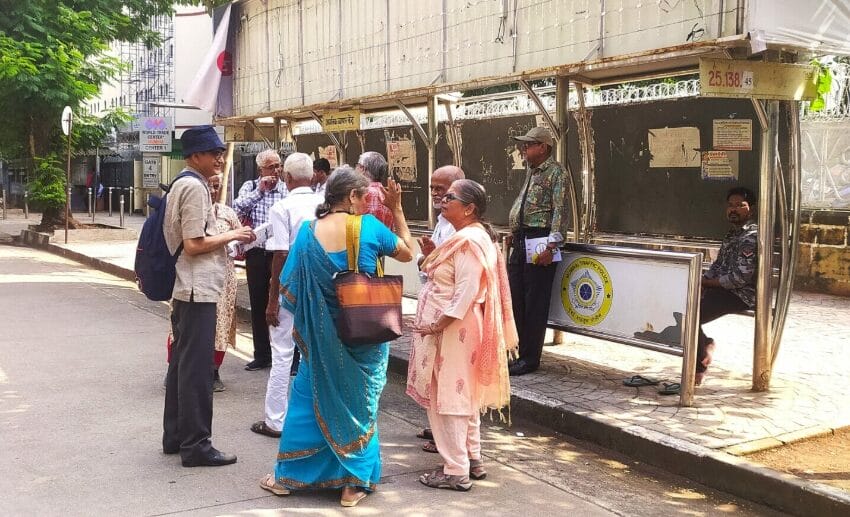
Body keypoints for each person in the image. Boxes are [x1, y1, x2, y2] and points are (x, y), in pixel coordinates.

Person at [258, 167, 415, 507]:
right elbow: (408, 252)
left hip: (319, 338)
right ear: (352, 197)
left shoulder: (307, 232)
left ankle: (289, 477)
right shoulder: (370, 227)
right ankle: (353, 485)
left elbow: (290, 289)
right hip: (366, 336)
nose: (367, 203)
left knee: (306, 402)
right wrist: (397, 208)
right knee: (361, 406)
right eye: (365, 197)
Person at [407, 179, 518, 491]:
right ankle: (472, 458)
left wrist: (439, 324)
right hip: (455, 327)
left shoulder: (469, 240)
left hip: (454, 330)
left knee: (450, 396)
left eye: (450, 196)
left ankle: (456, 471)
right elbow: (449, 277)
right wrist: (432, 255)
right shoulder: (465, 238)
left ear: (469, 208)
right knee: (463, 395)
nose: (443, 199)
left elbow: (467, 289)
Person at [162, 125, 255, 467]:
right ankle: (197, 445)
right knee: (197, 371)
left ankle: (175, 437)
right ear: (195, 156)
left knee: (182, 366)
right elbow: (194, 244)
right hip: (197, 288)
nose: (219, 158)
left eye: (220, 153)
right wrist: (234, 234)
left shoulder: (182, 184)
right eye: (213, 153)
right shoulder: (195, 187)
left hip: (187, 288)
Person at [251, 153, 324, 438]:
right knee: (315, 353)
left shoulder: (283, 207)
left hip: (291, 288)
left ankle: (275, 421)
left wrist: (272, 300)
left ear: (288, 178)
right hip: (319, 287)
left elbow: (280, 254)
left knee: (282, 354)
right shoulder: (324, 204)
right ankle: (316, 418)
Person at [506, 127, 570, 376]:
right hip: (522, 239)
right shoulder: (532, 172)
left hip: (541, 241)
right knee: (517, 298)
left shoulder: (556, 172)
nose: (524, 149)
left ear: (543, 147)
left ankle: (530, 358)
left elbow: (560, 210)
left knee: (535, 302)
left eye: (529, 144)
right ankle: (519, 352)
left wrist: (552, 245)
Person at [414, 164, 466, 453]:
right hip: (434, 304)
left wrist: (431, 259)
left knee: (448, 377)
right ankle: (438, 430)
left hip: (448, 314)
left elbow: (457, 275)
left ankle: (451, 447)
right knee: (433, 373)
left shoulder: (468, 233)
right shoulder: (443, 220)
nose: (437, 196)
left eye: (442, 191)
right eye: (433, 188)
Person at [695, 187, 758, 386]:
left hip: (740, 294)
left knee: (690, 313)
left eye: (740, 205)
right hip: (722, 289)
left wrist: (707, 283)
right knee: (681, 303)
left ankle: (699, 366)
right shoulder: (732, 235)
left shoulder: (751, 237)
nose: (734, 209)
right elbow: (717, 265)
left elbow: (740, 278)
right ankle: (705, 344)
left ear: (751, 209)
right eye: (731, 205)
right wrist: (702, 282)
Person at [233, 149, 288, 371]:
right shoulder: (250, 187)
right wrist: (260, 191)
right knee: (258, 302)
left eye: (278, 166)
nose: (276, 171)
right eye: (271, 167)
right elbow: (236, 208)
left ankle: (287, 354)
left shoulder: (286, 188)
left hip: (280, 253)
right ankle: (262, 354)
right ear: (260, 169)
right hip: (256, 251)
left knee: (283, 302)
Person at [356, 151, 394, 230]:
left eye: (357, 165)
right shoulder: (387, 195)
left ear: (363, 168)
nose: (355, 169)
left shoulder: (364, 193)